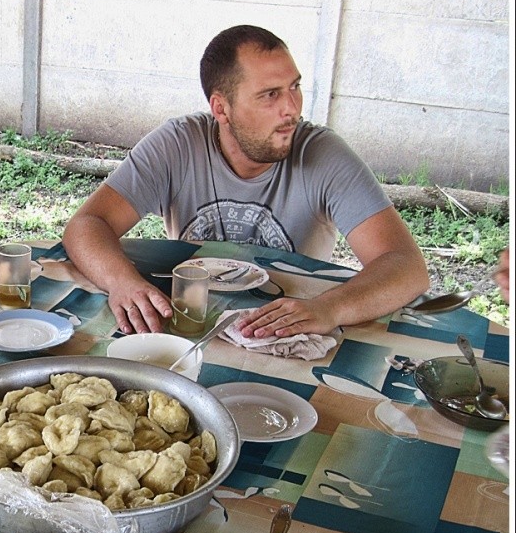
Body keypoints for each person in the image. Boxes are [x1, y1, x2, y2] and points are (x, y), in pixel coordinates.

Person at [63, 24, 429, 338]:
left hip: (284, 332)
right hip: (190, 320)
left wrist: (328, 309)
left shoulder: (323, 153)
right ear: (221, 108)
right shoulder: (178, 143)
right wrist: (123, 283)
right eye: (270, 95)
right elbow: (86, 225)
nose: (292, 108)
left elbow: (405, 266)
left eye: (295, 87)